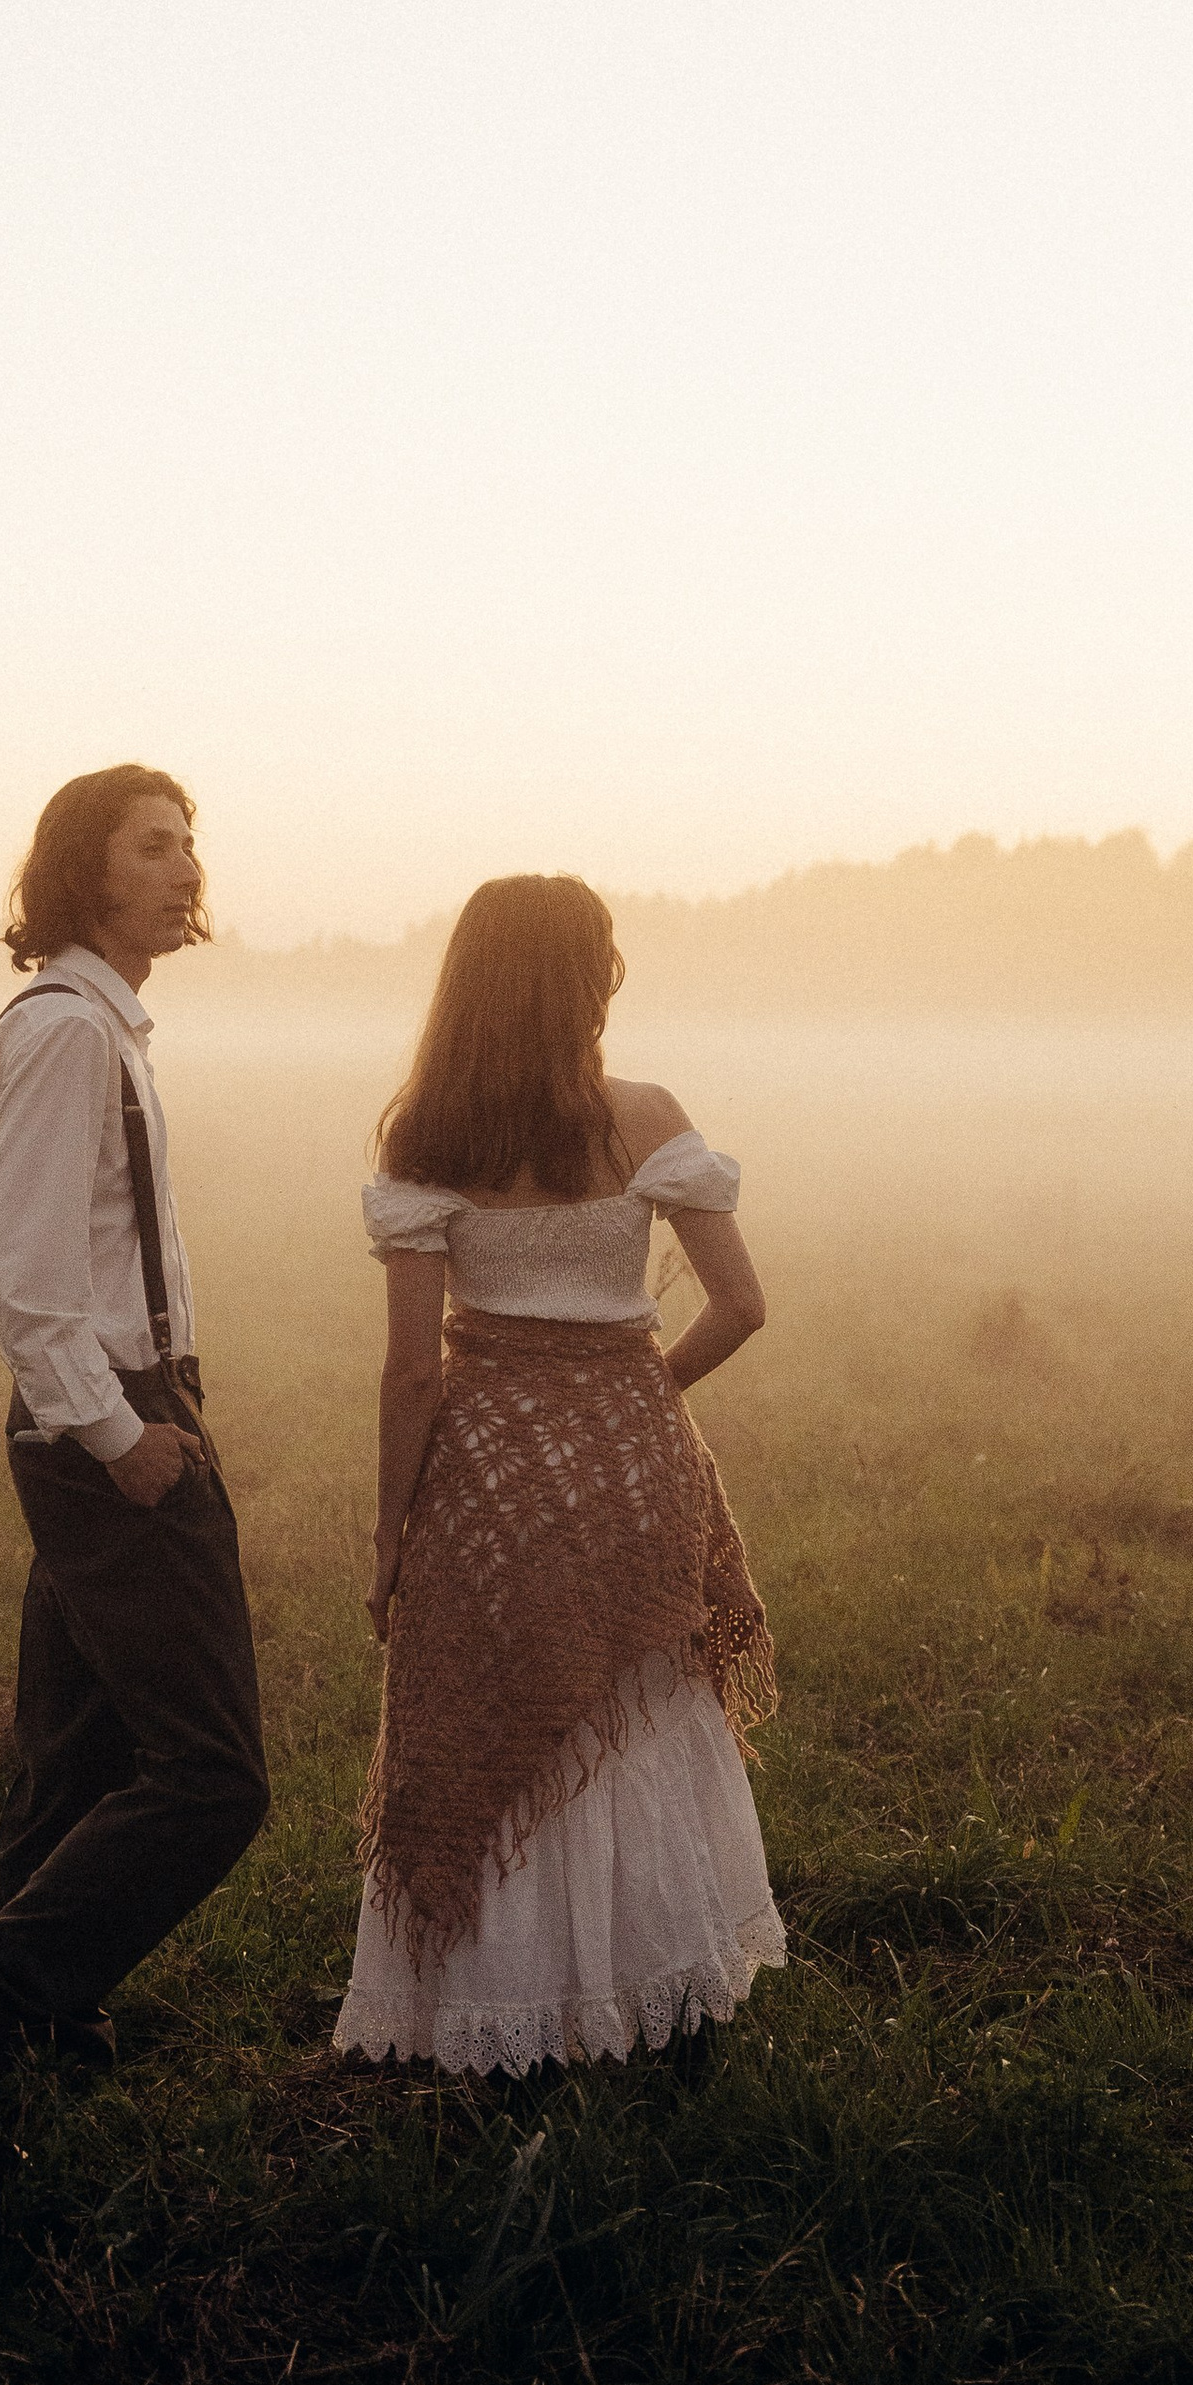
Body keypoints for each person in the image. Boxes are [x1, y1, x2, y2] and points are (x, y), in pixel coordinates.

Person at [0, 766, 269, 2095]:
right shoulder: (66, 1032)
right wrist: (116, 1433)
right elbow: (24, 1279)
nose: (187, 869)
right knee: (213, 1776)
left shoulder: (108, 1028)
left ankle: (15, 2023)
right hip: (109, 1417)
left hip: (132, 1396)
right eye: (155, 847)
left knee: (78, 1751)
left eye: (192, 844)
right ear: (88, 871)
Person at [336, 874, 782, 2077]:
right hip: (638, 1466)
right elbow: (741, 1307)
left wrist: (388, 1545)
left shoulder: (424, 1136)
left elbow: (412, 1376)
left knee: (492, 1712)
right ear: (591, 976)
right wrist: (626, 1404)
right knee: (634, 1716)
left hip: (485, 1473)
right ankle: (660, 2002)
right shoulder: (643, 1117)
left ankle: (509, 2016)